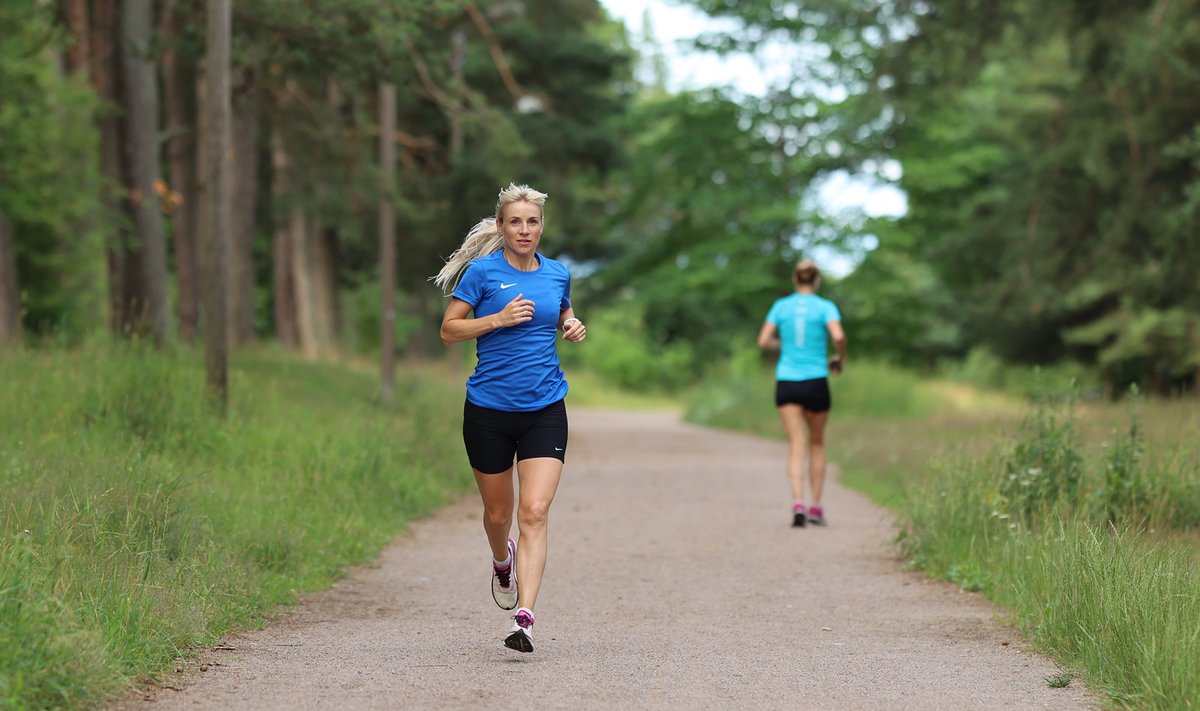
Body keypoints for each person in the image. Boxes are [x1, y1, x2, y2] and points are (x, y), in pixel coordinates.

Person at [433, 183, 586, 653]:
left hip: (544, 408)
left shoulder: (557, 273)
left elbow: (560, 312)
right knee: (499, 515)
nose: (524, 230)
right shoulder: (481, 273)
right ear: (501, 227)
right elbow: (448, 330)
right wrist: (495, 319)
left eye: (532, 222)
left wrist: (571, 325)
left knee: (534, 512)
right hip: (488, 412)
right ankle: (502, 561)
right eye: (515, 222)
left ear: (542, 226)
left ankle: (525, 618)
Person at [756, 259, 847, 527]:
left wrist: (784, 343)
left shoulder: (781, 307)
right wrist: (839, 359)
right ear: (816, 280)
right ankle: (816, 507)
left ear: (795, 280)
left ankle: (797, 503)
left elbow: (763, 341)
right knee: (816, 442)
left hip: (787, 381)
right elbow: (839, 336)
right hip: (817, 381)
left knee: (796, 444)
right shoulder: (825, 307)